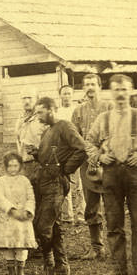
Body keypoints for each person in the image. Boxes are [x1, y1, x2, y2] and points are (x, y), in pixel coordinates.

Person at [84, 74, 137, 275]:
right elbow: (89, 143)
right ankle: (118, 267)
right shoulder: (103, 119)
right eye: (116, 90)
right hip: (111, 174)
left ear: (130, 91)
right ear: (111, 92)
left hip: (135, 173)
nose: (120, 94)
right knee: (113, 221)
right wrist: (100, 156)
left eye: (124, 89)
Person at [31, 96, 88, 275]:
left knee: (42, 226)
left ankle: (49, 261)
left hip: (56, 183)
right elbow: (47, 158)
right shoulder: (47, 132)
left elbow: (82, 149)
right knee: (52, 223)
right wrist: (36, 154)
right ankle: (60, 265)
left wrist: (66, 169)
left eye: (40, 112)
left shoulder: (65, 126)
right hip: (43, 181)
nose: (37, 116)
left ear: (51, 110)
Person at [70, 72, 113, 259]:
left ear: (99, 87)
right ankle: (97, 247)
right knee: (91, 205)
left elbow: (117, 133)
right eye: (86, 84)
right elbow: (74, 137)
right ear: (83, 88)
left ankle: (115, 247)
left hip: (109, 163)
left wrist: (103, 153)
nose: (89, 88)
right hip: (88, 165)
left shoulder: (109, 107)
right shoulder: (78, 111)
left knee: (112, 205)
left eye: (93, 84)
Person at [0, 152, 36, 275]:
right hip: (9, 218)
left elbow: (31, 197)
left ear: (20, 166)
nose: (13, 169)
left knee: (21, 245)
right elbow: (0, 198)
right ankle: (11, 274)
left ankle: (21, 272)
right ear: (6, 167)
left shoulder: (25, 180)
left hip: (23, 218)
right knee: (9, 246)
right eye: (10, 166)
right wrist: (12, 210)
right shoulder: (1, 181)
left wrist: (27, 211)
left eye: (15, 166)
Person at [57, 84, 85, 224]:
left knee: (79, 183)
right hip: (63, 152)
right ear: (60, 96)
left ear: (73, 95)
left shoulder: (78, 110)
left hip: (76, 151)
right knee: (64, 182)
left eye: (69, 93)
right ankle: (67, 215)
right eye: (64, 93)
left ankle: (81, 214)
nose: (66, 96)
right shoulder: (57, 112)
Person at [15, 87, 45, 183]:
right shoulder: (19, 120)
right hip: (24, 164)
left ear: (37, 99)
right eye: (24, 98)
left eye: (30, 98)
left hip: (40, 164)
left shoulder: (42, 118)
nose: (27, 101)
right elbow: (18, 141)